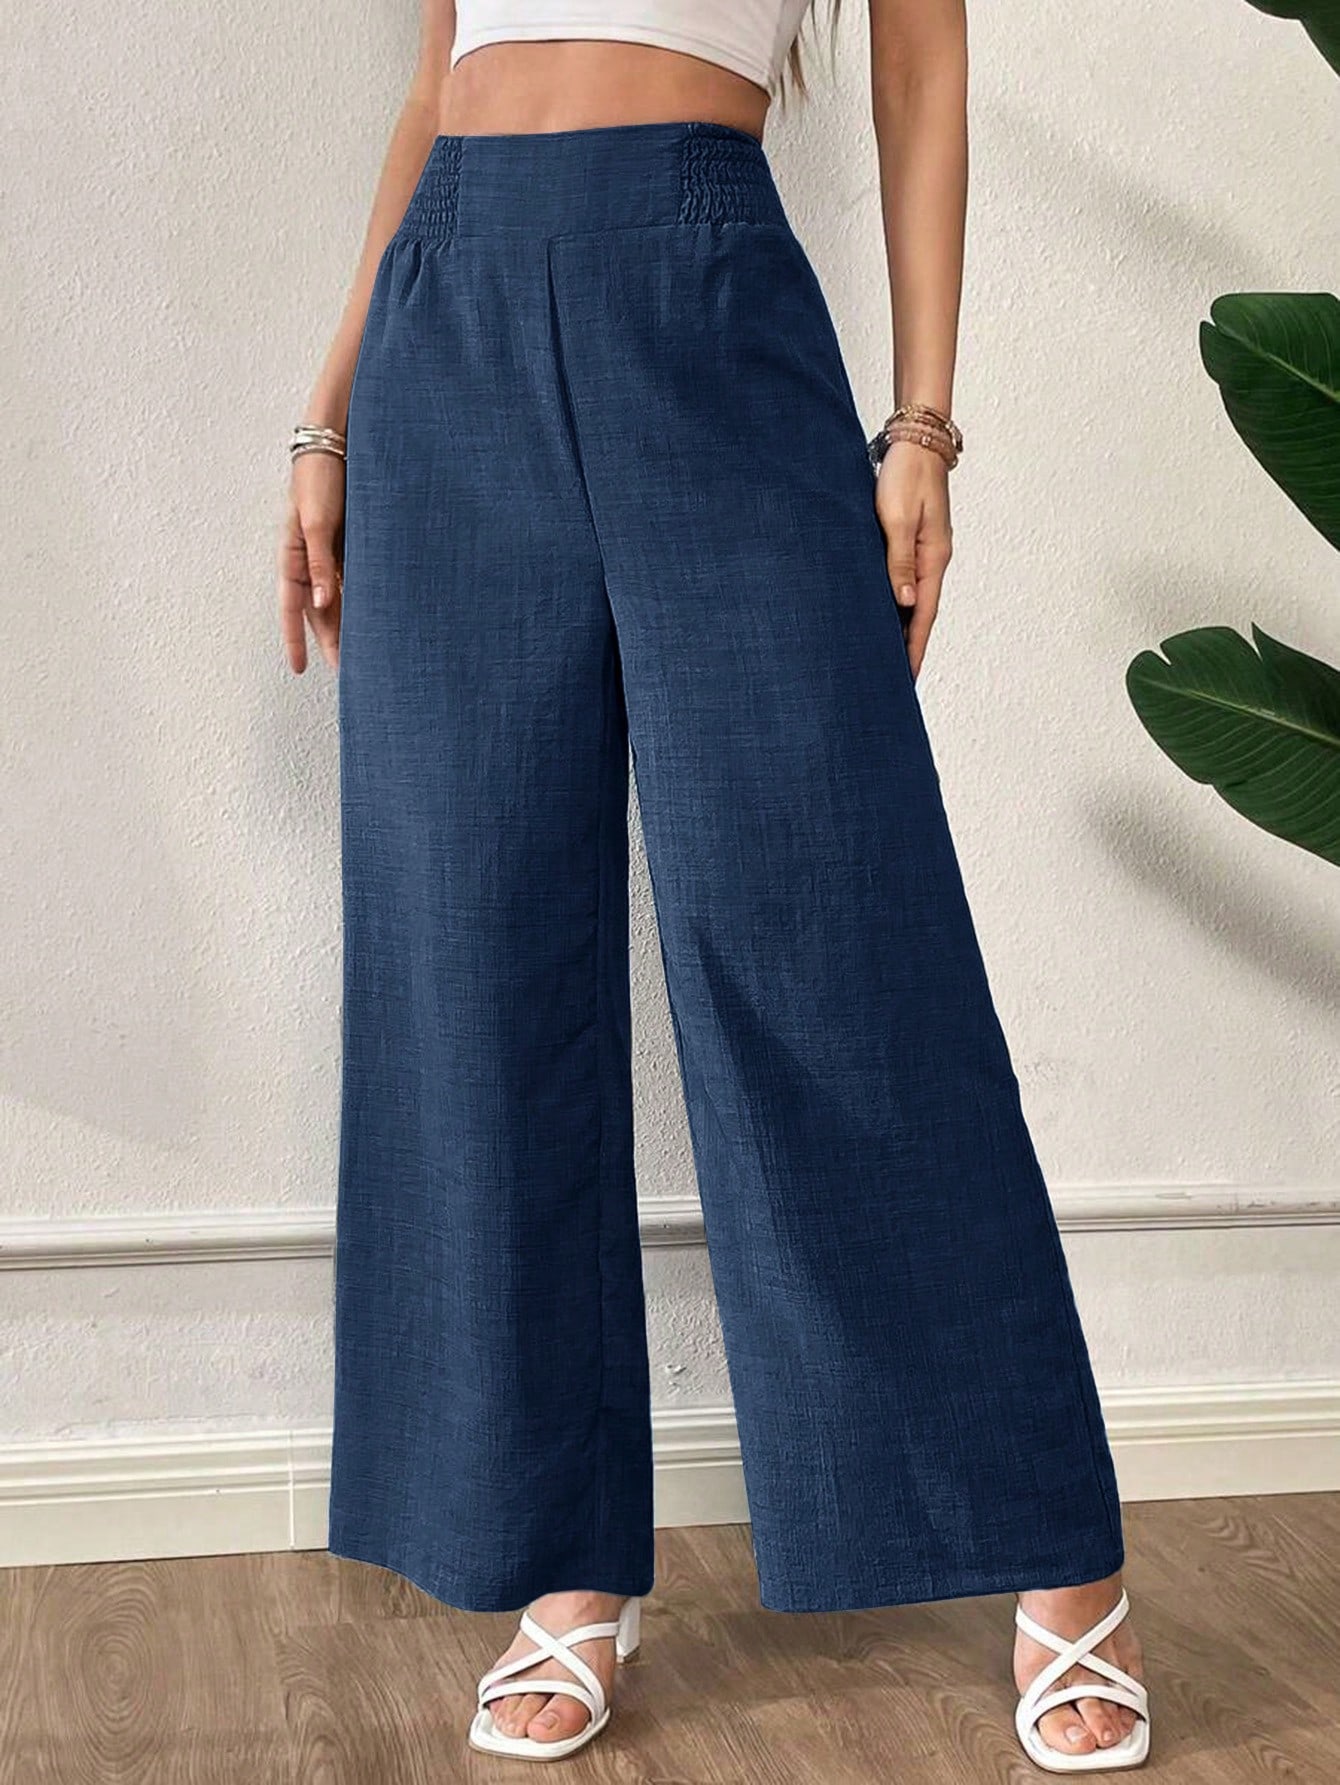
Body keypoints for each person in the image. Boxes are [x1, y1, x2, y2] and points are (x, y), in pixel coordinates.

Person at [277, 0, 1151, 1770]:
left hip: (705, 287)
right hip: (450, 315)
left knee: (830, 927)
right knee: (474, 957)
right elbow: (436, 86)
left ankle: (1054, 1544)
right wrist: (328, 416)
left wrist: (923, 425)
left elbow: (923, 61)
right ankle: (564, 1560)